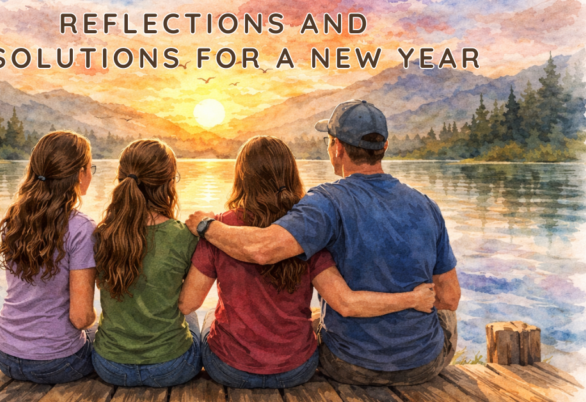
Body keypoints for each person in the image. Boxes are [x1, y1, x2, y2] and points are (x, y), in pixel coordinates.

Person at [186, 100, 461, 386]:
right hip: (422, 365)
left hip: (347, 364)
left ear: (337, 148)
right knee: (445, 311)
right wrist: (412, 300)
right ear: (385, 146)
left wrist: (207, 226)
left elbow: (263, 248)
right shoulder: (427, 206)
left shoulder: (326, 203)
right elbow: (449, 298)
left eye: (329, 143)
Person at [92, 139, 202, 387]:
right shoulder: (184, 236)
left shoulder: (101, 234)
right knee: (196, 318)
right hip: (171, 367)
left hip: (110, 366)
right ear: (169, 184)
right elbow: (187, 304)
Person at [0, 131, 98, 384]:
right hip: (58, 363)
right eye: (90, 167)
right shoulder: (81, 229)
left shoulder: (14, 220)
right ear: (80, 174)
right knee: (102, 334)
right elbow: (81, 318)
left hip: (5, 354)